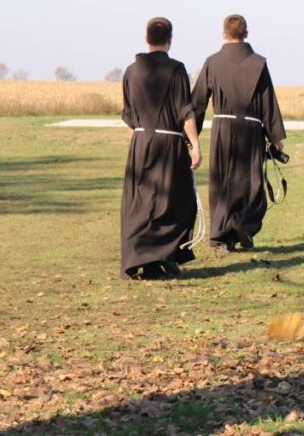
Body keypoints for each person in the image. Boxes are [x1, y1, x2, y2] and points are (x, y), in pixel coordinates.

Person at [192, 14, 286, 253]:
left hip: (223, 130)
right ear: (246, 33)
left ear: (223, 33)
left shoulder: (213, 62)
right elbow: (268, 102)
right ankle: (242, 225)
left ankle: (223, 235)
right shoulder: (258, 63)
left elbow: (198, 101)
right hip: (251, 131)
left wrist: (190, 136)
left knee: (222, 181)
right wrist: (276, 137)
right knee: (250, 182)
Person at [120, 17, 202, 280]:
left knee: (141, 203)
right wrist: (195, 145)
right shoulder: (176, 69)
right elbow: (185, 111)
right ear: (170, 40)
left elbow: (128, 115)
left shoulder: (131, 71)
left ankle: (145, 259)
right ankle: (161, 256)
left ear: (146, 38)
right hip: (168, 144)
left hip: (141, 143)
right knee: (175, 200)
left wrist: (140, 140)